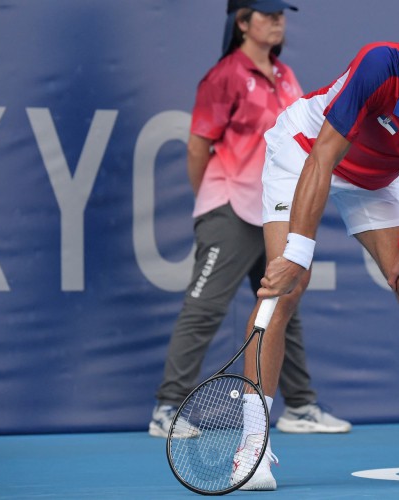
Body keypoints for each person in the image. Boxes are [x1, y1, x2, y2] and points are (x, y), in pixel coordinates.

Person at [232, 41, 399, 489]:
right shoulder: (380, 67)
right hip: (306, 153)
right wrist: (296, 256)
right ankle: (252, 446)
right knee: (286, 288)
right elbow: (323, 156)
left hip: (376, 179)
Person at [149, 0, 351, 451]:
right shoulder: (223, 77)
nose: (278, 20)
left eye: (282, 13)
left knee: (284, 305)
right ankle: (167, 408)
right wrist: (214, 202)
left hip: (274, 211)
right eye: (267, 13)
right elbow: (198, 148)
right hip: (230, 209)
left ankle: (299, 406)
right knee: (204, 309)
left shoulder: (287, 76)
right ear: (242, 22)